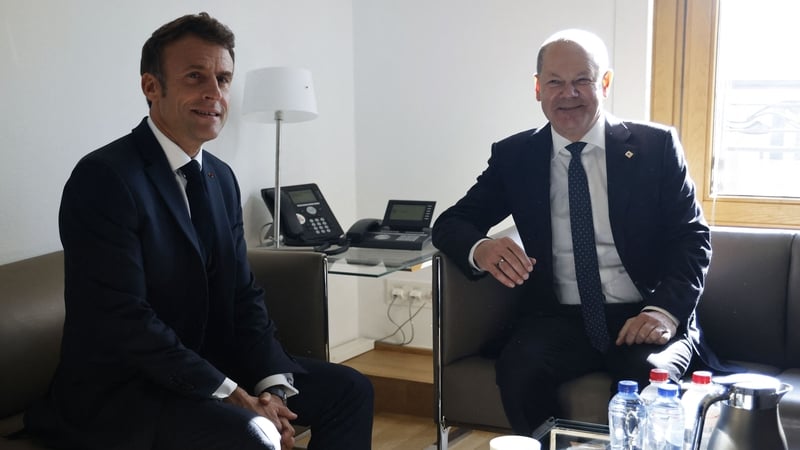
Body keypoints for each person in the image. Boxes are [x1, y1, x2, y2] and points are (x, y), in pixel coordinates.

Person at [24, 12, 373, 450]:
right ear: (152, 87)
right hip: (125, 389)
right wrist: (231, 393)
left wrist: (272, 386)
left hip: (208, 368)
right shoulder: (105, 178)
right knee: (250, 432)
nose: (214, 93)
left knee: (351, 390)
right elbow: (124, 319)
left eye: (224, 79)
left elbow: (243, 292)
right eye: (195, 77)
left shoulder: (220, 177)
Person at [432, 29, 723, 435]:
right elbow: (450, 223)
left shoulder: (655, 147)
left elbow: (693, 238)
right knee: (518, 369)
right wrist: (481, 249)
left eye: (582, 80)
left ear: (604, 83)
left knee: (651, 380)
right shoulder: (516, 156)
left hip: (641, 313)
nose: (568, 93)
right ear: (537, 89)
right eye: (555, 82)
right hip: (558, 317)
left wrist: (664, 312)